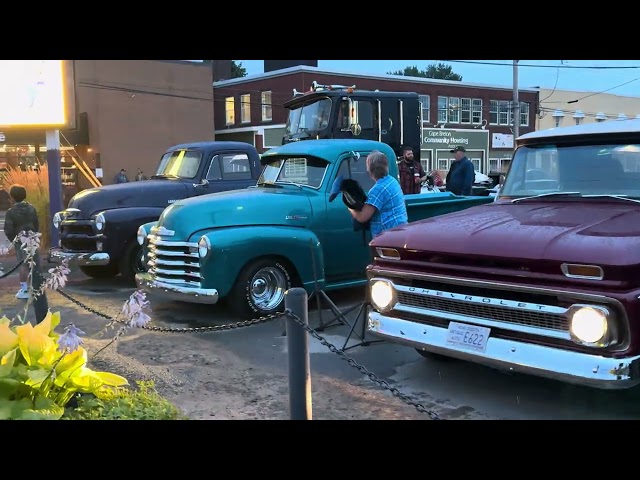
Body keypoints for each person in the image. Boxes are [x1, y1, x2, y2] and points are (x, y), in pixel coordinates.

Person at [348, 150, 408, 238]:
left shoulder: (378, 189)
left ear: (369, 169)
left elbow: (362, 217)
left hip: (387, 238)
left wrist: (350, 206)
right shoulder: (392, 181)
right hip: (400, 232)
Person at [4, 184, 39, 299]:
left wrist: (14, 241)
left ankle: (24, 289)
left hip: (20, 241)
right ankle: (35, 287)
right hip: (32, 239)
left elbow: (8, 229)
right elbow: (36, 224)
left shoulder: (11, 212)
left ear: (12, 197)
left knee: (22, 264)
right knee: (32, 263)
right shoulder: (31, 208)